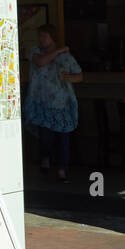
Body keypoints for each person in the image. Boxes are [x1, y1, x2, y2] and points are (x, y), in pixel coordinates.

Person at [23, 25, 83, 182]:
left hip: (62, 103)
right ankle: (45, 158)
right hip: (42, 102)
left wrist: (68, 78)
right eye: (40, 36)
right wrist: (59, 50)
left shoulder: (66, 57)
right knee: (46, 138)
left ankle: (62, 170)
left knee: (63, 138)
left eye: (44, 36)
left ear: (52, 37)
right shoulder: (36, 51)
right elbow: (41, 62)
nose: (41, 39)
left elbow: (79, 75)